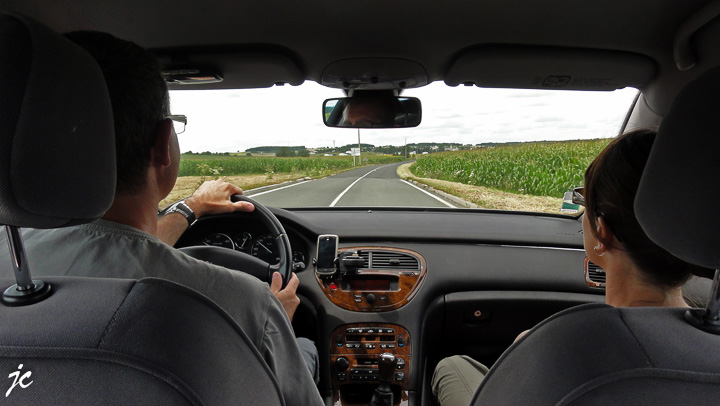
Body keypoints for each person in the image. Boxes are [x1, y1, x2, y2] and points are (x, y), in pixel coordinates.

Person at [0, 31, 323, 405]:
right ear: (162, 143)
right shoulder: (245, 304)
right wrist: (273, 324)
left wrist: (191, 208)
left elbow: (114, 250)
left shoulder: (12, 269)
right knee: (306, 348)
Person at [430, 128, 714, 406]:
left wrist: (528, 352)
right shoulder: (711, 344)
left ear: (602, 231)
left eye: (584, 202)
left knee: (452, 366)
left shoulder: (559, 350)